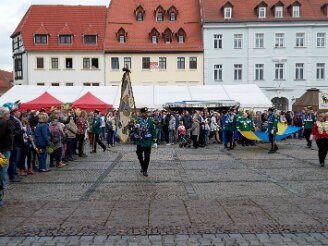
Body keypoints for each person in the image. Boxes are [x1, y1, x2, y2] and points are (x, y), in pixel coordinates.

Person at [134, 107, 156, 177]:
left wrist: (155, 140)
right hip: (140, 141)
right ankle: (142, 165)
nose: (145, 114)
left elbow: (153, 130)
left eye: (146, 113)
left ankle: (145, 170)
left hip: (147, 141)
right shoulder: (138, 120)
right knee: (139, 154)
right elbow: (133, 130)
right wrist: (135, 128)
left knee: (147, 156)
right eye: (144, 113)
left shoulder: (150, 121)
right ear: (141, 113)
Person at [0, 107, 13, 207]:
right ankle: (1, 192)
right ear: (4, 114)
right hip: (4, 150)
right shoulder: (3, 123)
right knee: (3, 170)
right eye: (8, 113)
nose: (9, 115)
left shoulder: (4, 122)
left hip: (5, 148)